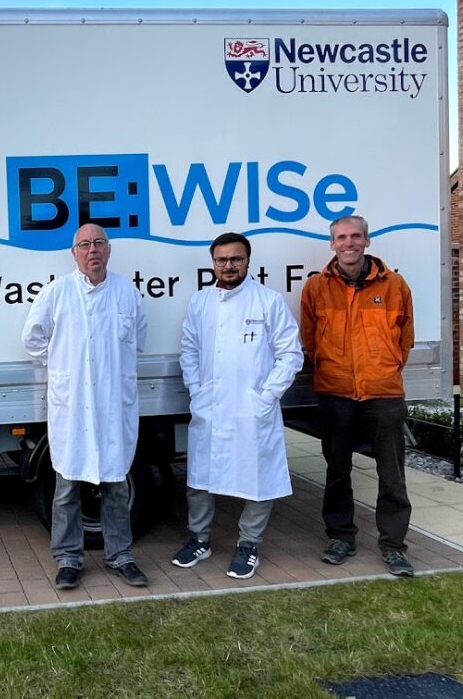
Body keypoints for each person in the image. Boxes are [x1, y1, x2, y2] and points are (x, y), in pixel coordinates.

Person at [22, 223, 149, 590]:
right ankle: (68, 559)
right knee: (66, 489)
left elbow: (138, 338)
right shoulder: (57, 292)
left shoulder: (127, 293)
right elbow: (32, 339)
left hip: (113, 407)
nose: (92, 250)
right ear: (74, 253)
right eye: (84, 245)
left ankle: (121, 556)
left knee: (116, 487)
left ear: (108, 250)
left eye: (98, 243)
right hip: (73, 407)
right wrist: (65, 365)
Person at [171, 232, 303, 579]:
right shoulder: (200, 302)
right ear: (213, 263)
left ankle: (248, 545)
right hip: (210, 407)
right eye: (222, 259)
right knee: (199, 479)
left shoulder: (268, 302)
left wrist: (265, 397)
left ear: (247, 261)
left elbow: (290, 355)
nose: (228, 265)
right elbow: (189, 350)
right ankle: (199, 539)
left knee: (258, 478)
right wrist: (196, 390)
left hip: (252, 409)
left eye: (236, 259)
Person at [300, 215, 416, 577]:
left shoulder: (395, 285)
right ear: (332, 244)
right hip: (335, 393)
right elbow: (309, 340)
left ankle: (393, 546)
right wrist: (332, 369)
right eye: (341, 237)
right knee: (337, 469)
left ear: (367, 240)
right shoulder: (316, 287)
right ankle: (341, 538)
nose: (348, 243)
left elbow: (405, 339)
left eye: (354, 236)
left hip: (384, 393)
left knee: (392, 474)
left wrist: (383, 370)